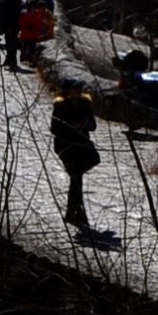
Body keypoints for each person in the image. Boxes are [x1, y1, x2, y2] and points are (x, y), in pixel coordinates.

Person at [50, 80, 101, 227]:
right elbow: (55, 128)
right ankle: (76, 211)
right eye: (75, 89)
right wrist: (71, 127)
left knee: (76, 178)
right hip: (66, 145)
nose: (78, 92)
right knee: (76, 177)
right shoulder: (60, 106)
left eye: (79, 89)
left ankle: (74, 211)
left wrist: (84, 124)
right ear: (68, 90)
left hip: (82, 145)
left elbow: (93, 125)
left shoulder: (85, 104)